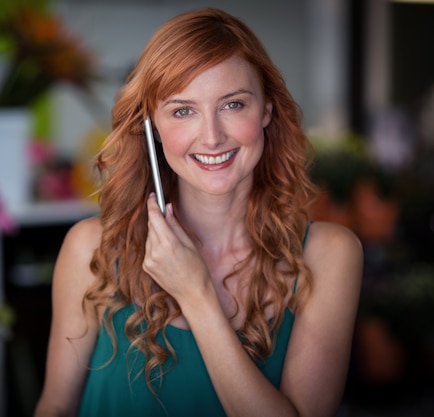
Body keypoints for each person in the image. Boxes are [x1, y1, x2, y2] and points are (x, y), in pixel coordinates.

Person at [34, 7, 363, 417]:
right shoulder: (92, 248)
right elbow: (54, 407)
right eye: (183, 110)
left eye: (233, 105)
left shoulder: (328, 255)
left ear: (266, 110)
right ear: (151, 124)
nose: (211, 136)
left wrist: (195, 293)